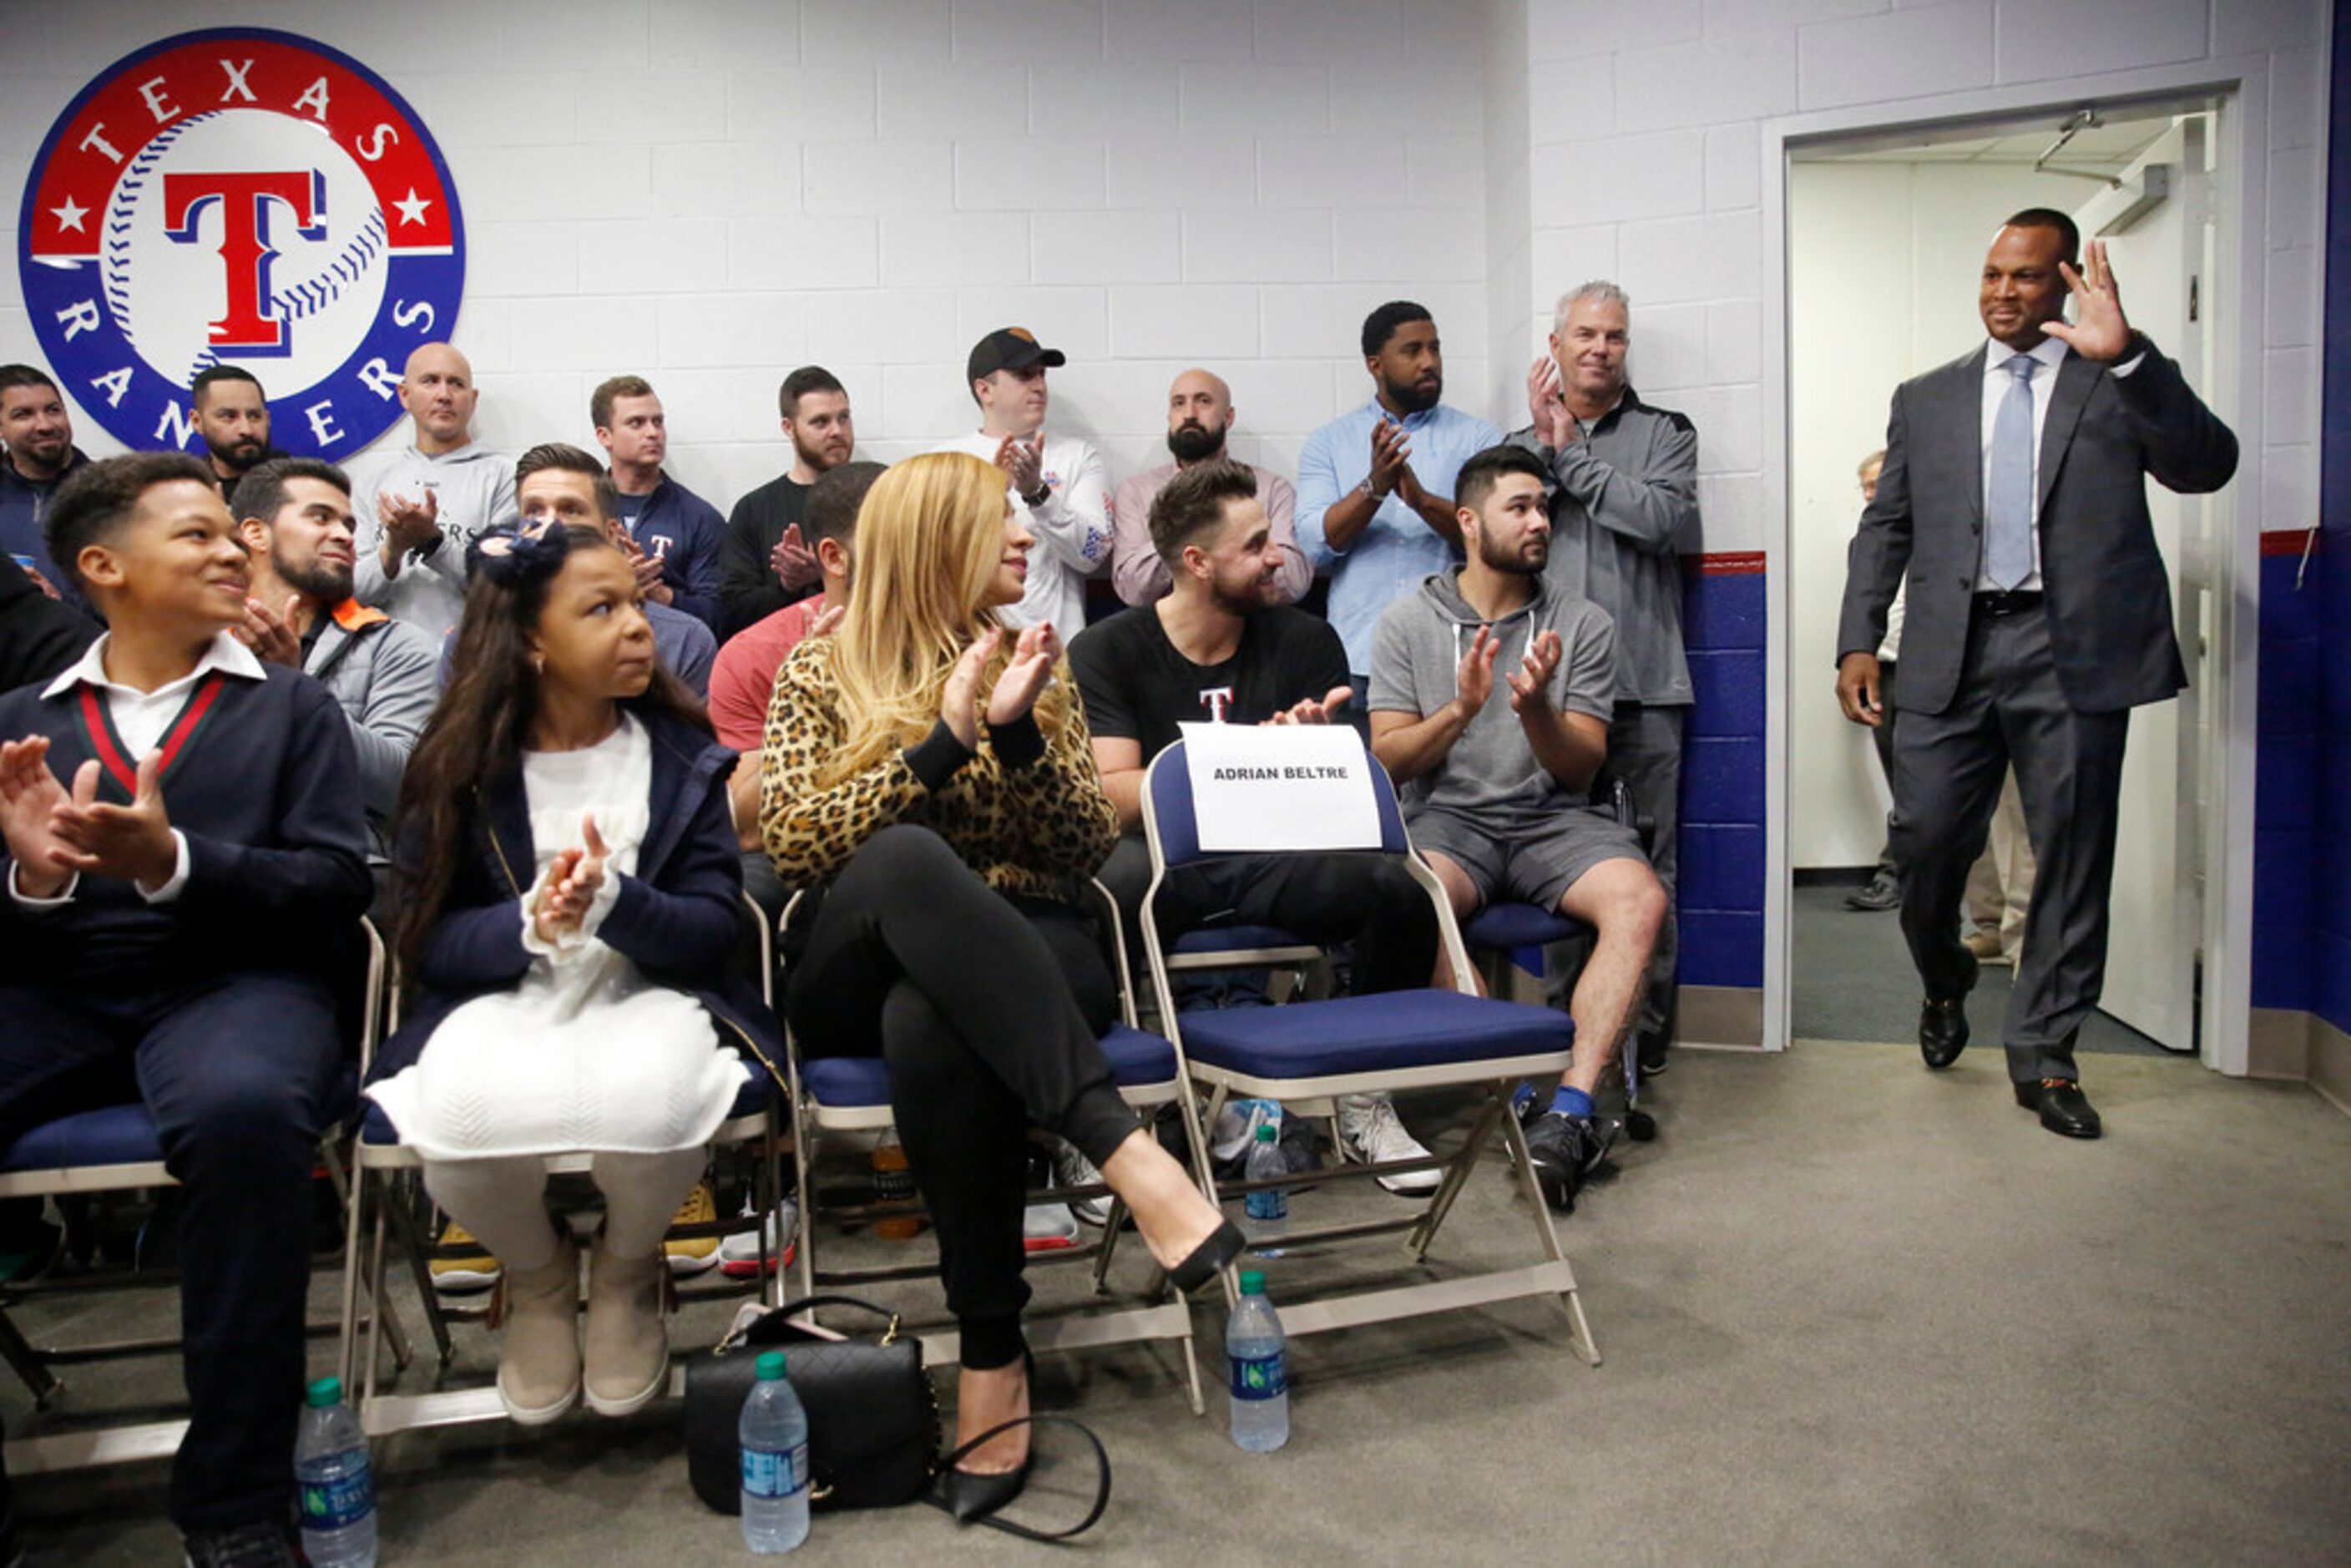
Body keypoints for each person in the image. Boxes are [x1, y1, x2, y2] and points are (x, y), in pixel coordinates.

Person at [761, 450, 1241, 1519]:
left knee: (933, 1019)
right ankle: (1124, 1149)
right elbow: (796, 846)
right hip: (852, 948)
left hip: (1026, 940)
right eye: (1000, 524)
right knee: (903, 861)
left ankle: (992, 1356)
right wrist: (943, 744)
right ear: (934, 540)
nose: (1026, 538)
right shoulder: (819, 665)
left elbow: (1079, 845)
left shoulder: (1040, 659)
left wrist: (1019, 730)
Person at [0, 452, 373, 1565]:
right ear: (101, 567)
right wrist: (38, 879)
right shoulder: (22, 718)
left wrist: (174, 859)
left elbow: (336, 887)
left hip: (242, 982)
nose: (232, 550)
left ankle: (235, 1503)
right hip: (58, 983)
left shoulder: (291, 706)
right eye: (199, 535)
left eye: (232, 531)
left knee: (246, 1116)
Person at [366, 515, 778, 1427]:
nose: (639, 626)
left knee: (661, 1099)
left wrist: (612, 904)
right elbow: (422, 939)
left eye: (633, 602)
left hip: (652, 990)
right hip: (501, 995)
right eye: (601, 609)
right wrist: (529, 922)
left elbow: (713, 927)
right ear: (530, 642)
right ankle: (540, 1275)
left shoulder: (680, 755)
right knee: (459, 1118)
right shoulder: (457, 766)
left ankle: (632, 1269)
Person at [1836, 210, 2238, 1139]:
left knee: (2069, 857)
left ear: (2063, 283)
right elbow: (1886, 526)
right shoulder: (1925, 397)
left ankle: (2045, 1058)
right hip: (1950, 649)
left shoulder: (2113, 382)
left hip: (2074, 651)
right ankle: (1944, 982)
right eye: (1988, 275)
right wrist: (1856, 639)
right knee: (1927, 843)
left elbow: (2204, 466)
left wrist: (2130, 355)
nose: (2000, 293)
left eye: (2022, 277)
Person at [1072, 460, 1443, 1194]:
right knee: (1089, 898)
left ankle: (1367, 1100)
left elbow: (1346, 789)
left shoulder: (1305, 641)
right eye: (1256, 544)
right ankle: (1101, 1122)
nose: (1277, 556)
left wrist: (1307, 753)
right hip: (1162, 864)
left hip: (1275, 856)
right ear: (1196, 562)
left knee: (1396, 891)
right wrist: (1246, 759)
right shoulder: (1108, 650)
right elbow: (1112, 795)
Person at [1369, 445, 1666, 1212]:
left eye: (1545, 508)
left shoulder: (1581, 622)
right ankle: (1518, 1085)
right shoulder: (1407, 622)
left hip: (1553, 821)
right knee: (1419, 894)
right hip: (1452, 819)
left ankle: (1568, 1116)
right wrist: (1462, 711)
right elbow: (1389, 763)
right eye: (1520, 507)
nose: (1540, 521)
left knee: (1640, 899)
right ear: (1468, 522)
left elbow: (1580, 772)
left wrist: (1534, 710)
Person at [1510, 281, 1697, 1070]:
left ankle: (1639, 1037)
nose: (1599, 348)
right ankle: (1567, 1038)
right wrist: (1543, 452)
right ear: (1554, 348)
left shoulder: (1665, 433)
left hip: (1646, 692)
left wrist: (1568, 455)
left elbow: (1657, 520)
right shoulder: (1517, 449)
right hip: (1550, 704)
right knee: (1561, 870)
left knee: (1648, 872)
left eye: (1614, 337)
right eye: (1584, 335)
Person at [230, 458, 438, 885]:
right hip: (213, 872)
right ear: (255, 533)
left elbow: (404, 788)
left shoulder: (394, 645)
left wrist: (296, 694)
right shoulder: (198, 642)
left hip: (349, 885)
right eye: (320, 518)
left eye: (348, 524)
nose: (344, 535)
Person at [1297, 301, 1501, 714]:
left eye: (1435, 348)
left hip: (1455, 657)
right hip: (1358, 659)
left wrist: (1422, 501)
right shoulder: (1329, 443)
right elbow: (1315, 544)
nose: (1429, 362)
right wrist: (1374, 487)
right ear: (1375, 364)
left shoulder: (1479, 439)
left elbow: (1496, 537)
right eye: (1412, 351)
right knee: (1365, 780)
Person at [711, 460, 882, 920]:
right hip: (808, 850)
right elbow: (748, 826)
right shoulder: (752, 653)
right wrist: (812, 692)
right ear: (834, 557)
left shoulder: (953, 639)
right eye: (897, 537)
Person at [933, 328, 1110, 634]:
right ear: (984, 390)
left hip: (1060, 651)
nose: (1040, 386)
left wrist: (1038, 494)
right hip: (975, 650)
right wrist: (991, 492)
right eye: (1025, 376)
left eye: (1042, 375)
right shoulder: (944, 461)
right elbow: (932, 562)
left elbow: (1092, 555)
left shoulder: (1078, 455)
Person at [351, 342, 519, 644]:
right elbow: (350, 593)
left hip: (472, 664)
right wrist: (393, 550)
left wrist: (433, 543)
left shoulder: (506, 478)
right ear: (405, 395)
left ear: (473, 399)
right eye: (430, 381)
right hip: (387, 669)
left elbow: (504, 586)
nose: (444, 395)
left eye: (456, 384)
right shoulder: (371, 485)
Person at [1110, 369, 1307, 608]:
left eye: (1204, 401)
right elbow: (1132, 591)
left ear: (1229, 417)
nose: (1190, 414)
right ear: (1169, 416)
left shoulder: (1273, 489)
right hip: (1163, 636)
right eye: (1179, 404)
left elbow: (1294, 583)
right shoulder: (1137, 492)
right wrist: (1186, 520)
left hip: (1254, 629)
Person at [721, 366, 855, 638]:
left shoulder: (880, 495)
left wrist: (822, 575)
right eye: (821, 422)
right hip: (778, 660)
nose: (837, 431)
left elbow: (904, 586)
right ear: (789, 428)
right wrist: (786, 586)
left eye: (844, 418)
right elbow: (732, 611)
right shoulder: (754, 509)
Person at [592, 375, 726, 632]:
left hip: (672, 658)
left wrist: (659, 595)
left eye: (658, 422)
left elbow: (719, 617)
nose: (653, 433)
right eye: (636, 423)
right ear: (604, 435)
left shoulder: (700, 517)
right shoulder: (583, 510)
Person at [1848, 449, 1904, 913]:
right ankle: (1898, 873)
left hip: (1929, 672)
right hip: (1882, 672)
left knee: (1925, 784)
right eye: (1865, 486)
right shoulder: (1864, 544)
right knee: (1902, 783)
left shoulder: (1937, 536)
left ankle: (1900, 872)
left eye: (1878, 483)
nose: (1871, 493)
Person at [0, 363, 92, 602]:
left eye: (53, 410)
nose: (45, 425)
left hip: (87, 637)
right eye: (24, 415)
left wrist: (57, 609)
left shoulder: (112, 495)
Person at [190, 367, 280, 501]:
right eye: (229, 416)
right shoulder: (187, 491)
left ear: (267, 419)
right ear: (197, 422)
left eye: (255, 416)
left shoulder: (298, 486)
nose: (246, 430)